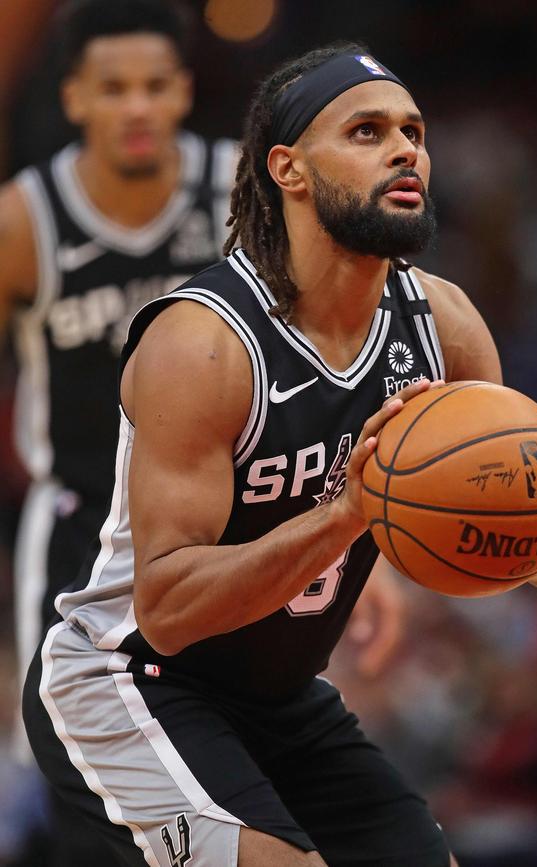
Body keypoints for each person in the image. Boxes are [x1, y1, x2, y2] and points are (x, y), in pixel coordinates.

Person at [23, 42, 537, 867]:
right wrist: (350, 512)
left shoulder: (448, 327)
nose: (405, 150)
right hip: (131, 680)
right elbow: (170, 610)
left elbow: (509, 571)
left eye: (414, 131)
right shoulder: (205, 343)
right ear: (287, 169)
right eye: (366, 131)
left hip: (281, 696)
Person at [0, 0, 237, 863]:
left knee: (241, 771)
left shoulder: (237, 194)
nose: (135, 106)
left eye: (153, 85)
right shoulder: (25, 224)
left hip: (223, 524)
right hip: (80, 531)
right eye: (113, 88)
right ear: (74, 99)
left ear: (182, 91)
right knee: (88, 793)